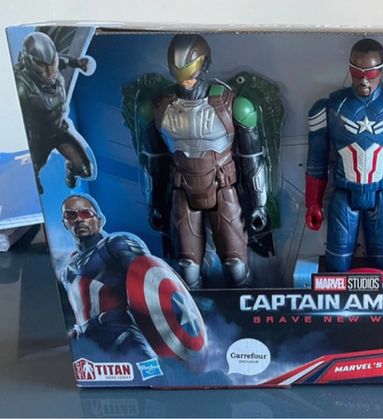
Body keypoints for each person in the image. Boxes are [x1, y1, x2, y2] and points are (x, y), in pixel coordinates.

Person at [148, 34, 269, 288]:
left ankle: (241, 308)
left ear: (204, 64)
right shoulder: (162, 108)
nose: (186, 80)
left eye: (190, 71)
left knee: (236, 266)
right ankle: (193, 312)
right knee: (187, 268)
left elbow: (252, 160)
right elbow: (155, 164)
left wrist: (259, 203)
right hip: (183, 192)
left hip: (223, 188)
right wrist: (156, 203)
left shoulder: (231, 105)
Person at [305, 38, 383, 272]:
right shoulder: (329, 107)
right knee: (337, 264)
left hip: (382, 195)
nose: (364, 79)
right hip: (344, 194)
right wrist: (313, 203)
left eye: (371, 72)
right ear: (349, 69)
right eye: (357, 71)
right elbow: (316, 161)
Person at [61, 194, 155, 358]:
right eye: (71, 215)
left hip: (121, 336)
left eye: (86, 213)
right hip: (88, 342)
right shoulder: (68, 269)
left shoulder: (116, 244)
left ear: (99, 220)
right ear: (65, 223)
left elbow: (151, 282)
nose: (79, 220)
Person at [14, 32, 95, 193]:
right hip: (37, 141)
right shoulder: (22, 85)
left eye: (52, 65)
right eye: (43, 66)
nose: (50, 72)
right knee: (34, 190)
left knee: (86, 170)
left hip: (58, 129)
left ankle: (71, 170)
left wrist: (78, 62)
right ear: (30, 62)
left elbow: (63, 61)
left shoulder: (52, 65)